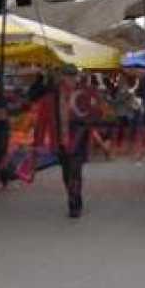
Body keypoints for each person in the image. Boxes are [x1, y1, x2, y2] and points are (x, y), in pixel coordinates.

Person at [54, 64, 90, 218]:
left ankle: (74, 204)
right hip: (61, 139)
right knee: (66, 175)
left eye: (73, 76)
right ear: (62, 77)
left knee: (75, 172)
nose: (70, 79)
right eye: (67, 76)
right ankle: (73, 196)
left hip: (77, 139)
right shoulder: (55, 95)